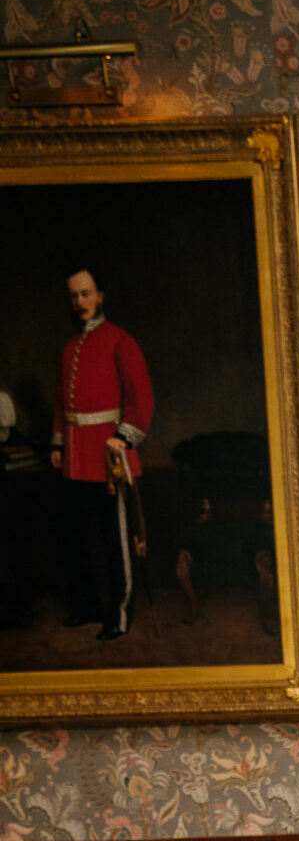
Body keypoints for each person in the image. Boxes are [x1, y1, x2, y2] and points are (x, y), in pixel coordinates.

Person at [51, 266, 153, 642]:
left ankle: (120, 614)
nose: (80, 302)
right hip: (75, 460)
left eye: (86, 293)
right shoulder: (67, 347)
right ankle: (86, 607)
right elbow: (60, 403)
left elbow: (140, 400)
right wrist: (58, 442)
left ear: (100, 296)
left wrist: (124, 438)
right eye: (74, 296)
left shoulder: (120, 341)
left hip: (110, 460)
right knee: (72, 538)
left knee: (117, 542)